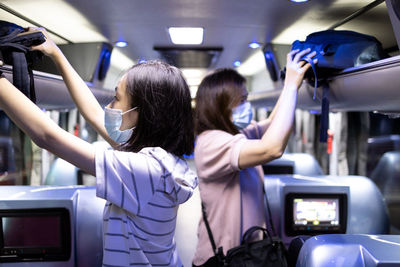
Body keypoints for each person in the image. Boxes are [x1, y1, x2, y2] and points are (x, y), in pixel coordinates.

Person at [0, 28, 197, 267]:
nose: (109, 107)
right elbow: (93, 113)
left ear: (144, 114)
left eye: (117, 98)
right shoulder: (161, 161)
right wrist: (56, 54)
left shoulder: (143, 170)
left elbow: (47, 136)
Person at [192, 48, 317, 266]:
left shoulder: (236, 133)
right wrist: (288, 86)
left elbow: (271, 125)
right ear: (220, 106)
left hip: (247, 254)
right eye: (241, 101)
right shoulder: (211, 142)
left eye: (247, 99)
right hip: (221, 259)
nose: (247, 106)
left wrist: (293, 86)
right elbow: (272, 148)